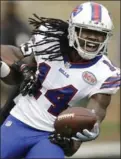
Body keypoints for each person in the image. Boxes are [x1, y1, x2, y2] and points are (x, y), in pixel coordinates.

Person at [0, 2, 120, 158]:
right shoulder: (49, 41)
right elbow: (8, 52)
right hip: (19, 120)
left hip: (51, 137)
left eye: (100, 33)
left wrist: (77, 139)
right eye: (87, 31)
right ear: (73, 30)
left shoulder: (106, 73)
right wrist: (23, 69)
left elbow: (94, 116)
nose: (93, 38)